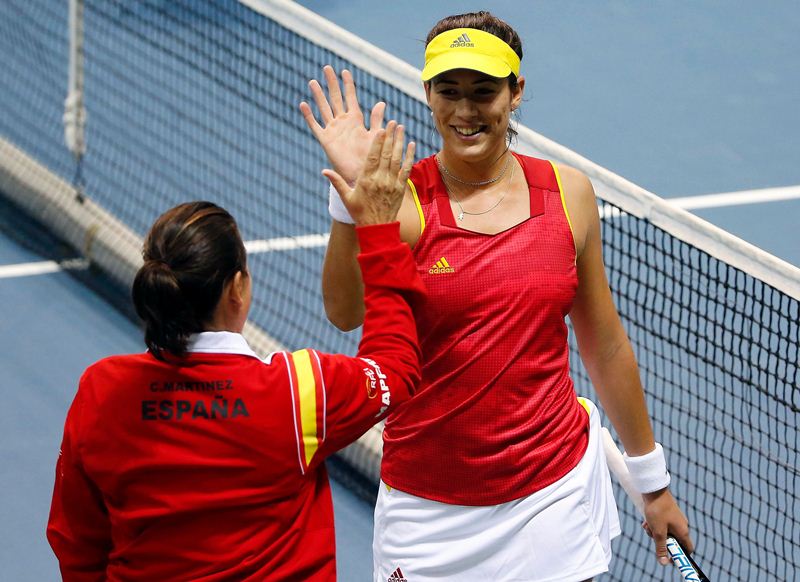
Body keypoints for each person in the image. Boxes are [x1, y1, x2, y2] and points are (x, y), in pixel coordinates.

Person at [301, 11, 694, 581]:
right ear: (428, 94)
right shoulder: (404, 200)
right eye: (449, 92)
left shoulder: (569, 196)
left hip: (548, 495)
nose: (465, 110)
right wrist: (354, 203)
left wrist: (652, 482)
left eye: (484, 92)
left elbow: (604, 346)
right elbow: (344, 312)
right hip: (427, 508)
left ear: (516, 93)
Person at [47, 126, 421, 580]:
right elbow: (394, 369)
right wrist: (378, 230)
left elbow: (76, 542)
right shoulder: (298, 395)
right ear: (238, 290)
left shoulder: (101, 391)